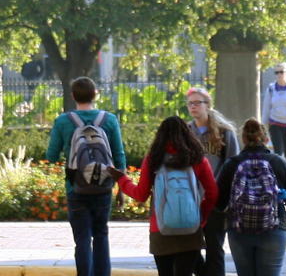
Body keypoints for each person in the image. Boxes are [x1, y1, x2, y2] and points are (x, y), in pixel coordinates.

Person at [111, 117, 219, 276]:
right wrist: (200, 216)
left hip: (160, 229)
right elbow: (213, 194)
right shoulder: (197, 158)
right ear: (188, 134)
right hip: (190, 228)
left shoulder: (153, 159)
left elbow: (141, 194)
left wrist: (122, 179)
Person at [46, 77, 126, 276]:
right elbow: (119, 154)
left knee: (82, 238)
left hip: (76, 187)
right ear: (95, 94)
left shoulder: (63, 121)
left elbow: (51, 156)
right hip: (104, 186)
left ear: (73, 96)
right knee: (101, 234)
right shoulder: (109, 120)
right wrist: (122, 186)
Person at [214, 119, 286, 276]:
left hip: (239, 232)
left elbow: (219, 204)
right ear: (266, 140)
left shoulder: (231, 165)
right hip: (274, 230)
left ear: (243, 139)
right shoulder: (280, 163)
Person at [186, 87, 240, 276]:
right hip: (189, 200)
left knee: (214, 248)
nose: (193, 107)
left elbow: (233, 165)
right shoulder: (185, 132)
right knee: (188, 248)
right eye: (190, 103)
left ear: (208, 105)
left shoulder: (224, 133)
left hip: (215, 201)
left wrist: (223, 195)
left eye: (197, 103)